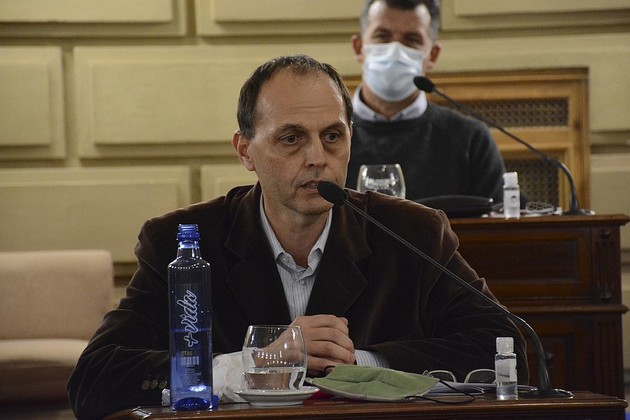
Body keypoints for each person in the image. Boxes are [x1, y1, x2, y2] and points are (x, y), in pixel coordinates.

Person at [67, 54, 527, 419]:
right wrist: (255, 363)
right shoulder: (184, 241)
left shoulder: (412, 233)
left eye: (333, 137)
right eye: (291, 139)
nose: (317, 158)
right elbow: (94, 379)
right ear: (245, 151)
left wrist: (362, 365)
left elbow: (509, 349)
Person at [346, 0, 506, 203]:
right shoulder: (327, 135)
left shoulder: (471, 139)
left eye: (411, 40)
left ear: (432, 55)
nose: (395, 50)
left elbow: (499, 219)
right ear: (359, 48)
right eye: (382, 36)